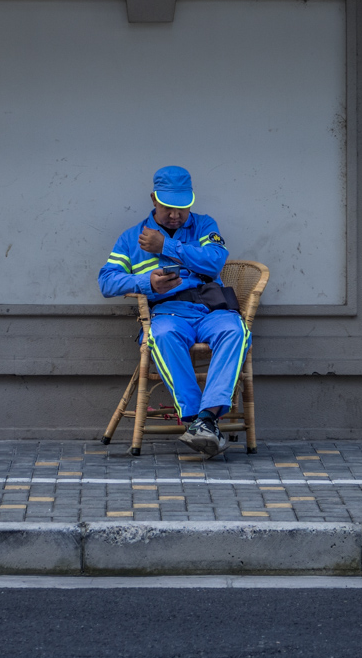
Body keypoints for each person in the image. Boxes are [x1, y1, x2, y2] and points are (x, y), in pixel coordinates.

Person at [98, 165, 249, 458]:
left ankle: (205, 420)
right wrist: (146, 282)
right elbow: (106, 281)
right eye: (169, 207)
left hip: (211, 307)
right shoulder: (132, 238)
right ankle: (198, 421)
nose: (176, 215)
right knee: (162, 335)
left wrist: (166, 245)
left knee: (236, 330)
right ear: (154, 198)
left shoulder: (204, 225)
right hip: (168, 311)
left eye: (183, 207)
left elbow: (215, 262)